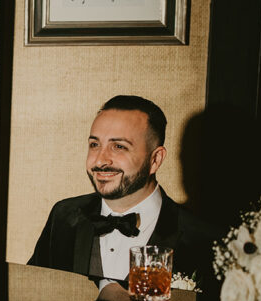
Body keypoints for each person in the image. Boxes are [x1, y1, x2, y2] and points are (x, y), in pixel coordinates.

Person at [28, 95, 216, 286]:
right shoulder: (64, 216)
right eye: (94, 144)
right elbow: (34, 296)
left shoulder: (204, 240)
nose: (100, 160)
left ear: (155, 160)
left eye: (118, 146)